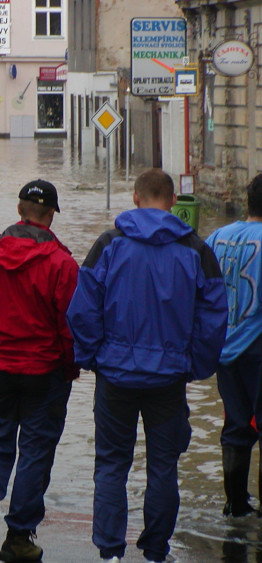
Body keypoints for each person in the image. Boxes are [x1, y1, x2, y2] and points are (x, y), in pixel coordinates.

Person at [66, 168, 228, 563]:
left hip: (115, 375)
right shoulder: (197, 250)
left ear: (135, 198)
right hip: (169, 380)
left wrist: (92, 357)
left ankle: (110, 552)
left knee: (110, 464)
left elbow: (82, 310)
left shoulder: (109, 244)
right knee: (163, 467)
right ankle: (156, 550)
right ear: (173, 202)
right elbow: (214, 319)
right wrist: (194, 366)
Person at [0, 180, 80, 562]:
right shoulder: (62, 264)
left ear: (18, 211)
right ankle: (18, 538)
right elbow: (70, 325)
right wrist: (70, 366)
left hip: (1, 368)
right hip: (44, 371)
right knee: (35, 450)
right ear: (50, 217)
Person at [206, 174, 262, 517]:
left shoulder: (217, 237)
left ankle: (235, 505)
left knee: (236, 426)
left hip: (225, 349)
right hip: (258, 345)